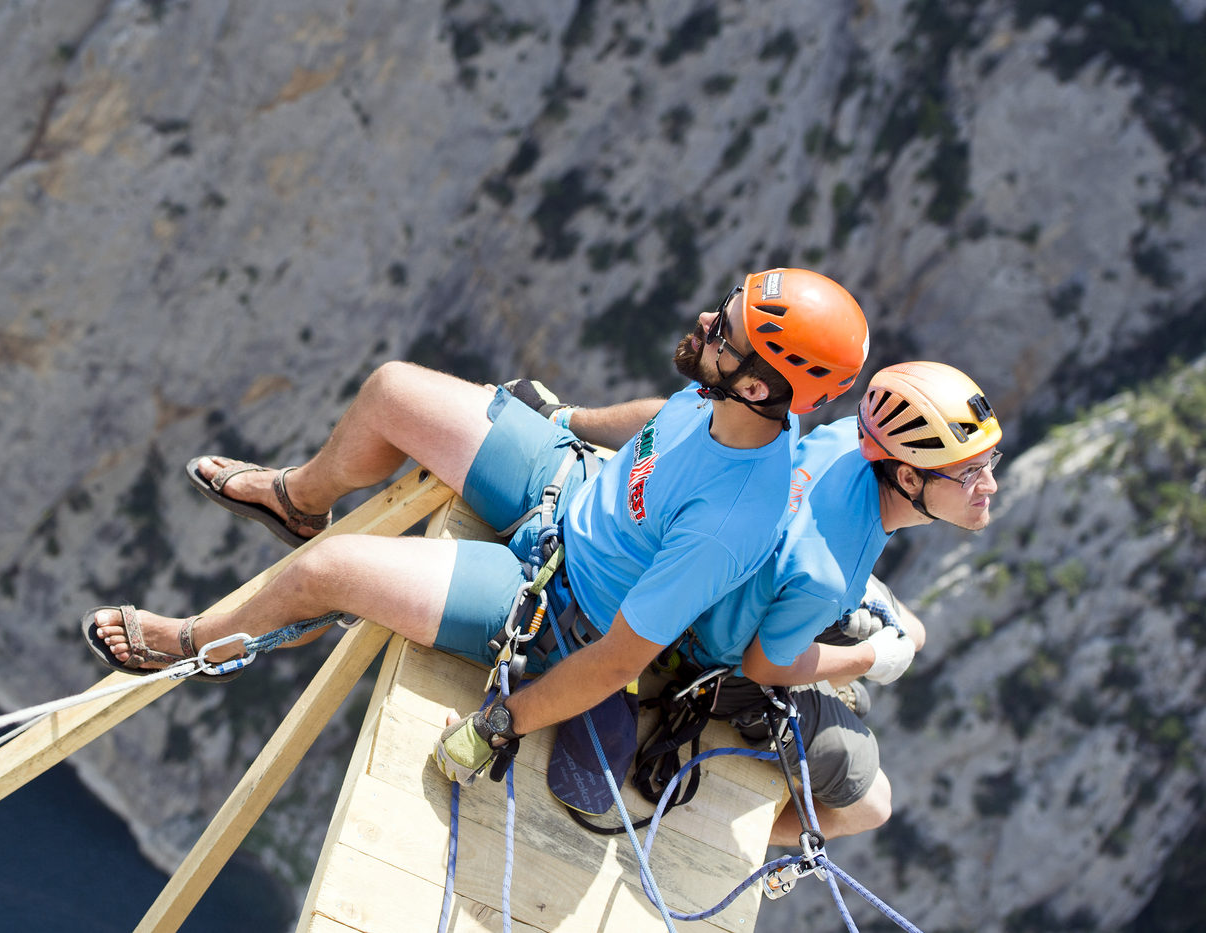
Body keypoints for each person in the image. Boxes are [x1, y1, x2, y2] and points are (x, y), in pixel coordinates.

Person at [84, 268, 870, 781]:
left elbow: (621, 656)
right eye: (723, 307)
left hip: (558, 607)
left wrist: (503, 720)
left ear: (763, 386)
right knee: (392, 390)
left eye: (722, 330)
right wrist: (569, 418)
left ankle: (191, 644)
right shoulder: (730, 402)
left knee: (325, 574)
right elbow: (660, 419)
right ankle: (300, 498)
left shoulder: (732, 519)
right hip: (569, 490)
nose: (704, 320)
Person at [556, 361, 1002, 843]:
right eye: (971, 472)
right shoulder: (830, 578)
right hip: (720, 664)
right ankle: (730, 834)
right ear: (909, 481)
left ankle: (839, 687)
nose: (990, 485)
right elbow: (765, 665)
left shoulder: (846, 439)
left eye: (989, 461)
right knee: (872, 807)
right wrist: (869, 658)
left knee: (912, 634)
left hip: (768, 578)